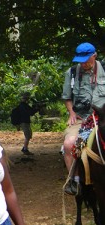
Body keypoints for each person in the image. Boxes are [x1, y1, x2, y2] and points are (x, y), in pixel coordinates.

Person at [62, 42, 105, 195]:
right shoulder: (72, 72)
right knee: (70, 144)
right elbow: (67, 98)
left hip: (103, 118)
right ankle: (75, 182)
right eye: (81, 60)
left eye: (87, 59)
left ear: (95, 55)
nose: (84, 63)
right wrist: (71, 113)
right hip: (82, 119)